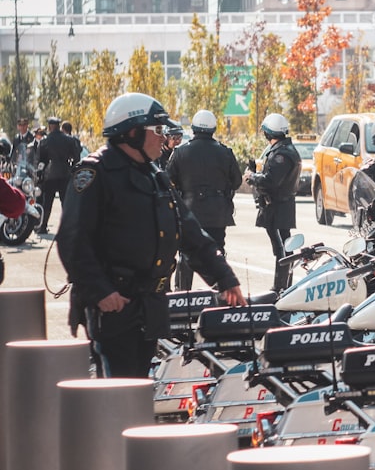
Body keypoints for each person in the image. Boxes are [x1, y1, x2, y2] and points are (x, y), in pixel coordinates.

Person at [56, 92, 246, 377]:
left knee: (140, 389)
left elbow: (191, 232)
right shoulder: (96, 173)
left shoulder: (155, 176)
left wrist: (224, 278)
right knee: (117, 394)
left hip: (149, 306)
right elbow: (73, 241)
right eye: (156, 130)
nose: (163, 137)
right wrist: (102, 292)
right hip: (114, 308)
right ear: (131, 133)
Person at [167, 110, 243, 290]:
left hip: (189, 211)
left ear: (193, 128)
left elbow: (168, 181)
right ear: (213, 129)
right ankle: (222, 292)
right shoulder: (225, 152)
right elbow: (237, 181)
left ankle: (182, 296)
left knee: (186, 254)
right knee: (217, 253)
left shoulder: (180, 152)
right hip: (218, 212)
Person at [243, 113, 302, 292]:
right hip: (280, 206)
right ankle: (284, 287)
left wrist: (252, 177)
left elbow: (271, 180)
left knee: (282, 249)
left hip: (277, 208)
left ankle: (281, 287)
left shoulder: (282, 154)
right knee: (285, 246)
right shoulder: (284, 150)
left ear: (269, 132)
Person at [37, 116, 81, 234]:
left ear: (50, 126)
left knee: (48, 202)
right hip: (65, 173)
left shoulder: (45, 141)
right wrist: (72, 169)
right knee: (65, 202)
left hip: (50, 175)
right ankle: (69, 227)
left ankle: (43, 226)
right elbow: (76, 157)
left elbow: (41, 161)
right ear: (58, 126)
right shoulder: (69, 140)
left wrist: (40, 174)